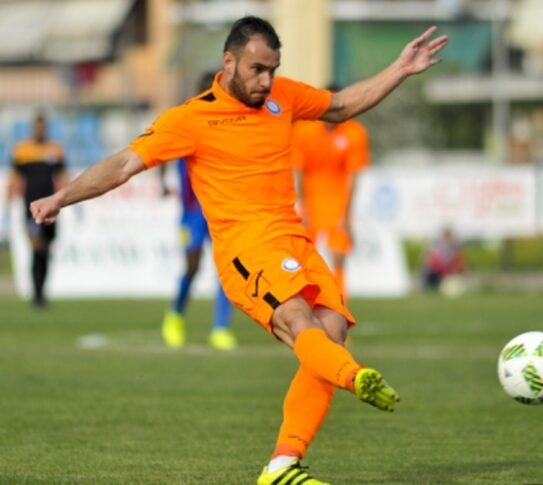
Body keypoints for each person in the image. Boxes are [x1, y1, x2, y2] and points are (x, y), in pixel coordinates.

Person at [30, 16, 447, 484]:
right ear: (228, 62)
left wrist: (400, 69)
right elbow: (125, 163)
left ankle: (282, 466)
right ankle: (355, 377)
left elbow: (342, 104)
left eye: (272, 69)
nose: (266, 81)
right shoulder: (191, 118)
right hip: (245, 249)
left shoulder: (283, 96)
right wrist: (61, 197)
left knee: (331, 333)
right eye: (257, 69)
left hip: (294, 239)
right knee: (299, 320)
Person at [161, 71, 237, 351]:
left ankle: (220, 328)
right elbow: (160, 149)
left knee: (226, 270)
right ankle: (175, 315)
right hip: (192, 214)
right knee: (192, 267)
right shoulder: (187, 123)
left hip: (218, 211)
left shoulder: (226, 126)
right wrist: (162, 182)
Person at [291, 94, 370, 297]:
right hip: (310, 198)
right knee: (304, 255)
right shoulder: (304, 130)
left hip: (338, 199)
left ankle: (339, 302)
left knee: (339, 254)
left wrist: (346, 213)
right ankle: (307, 301)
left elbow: (353, 175)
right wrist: (303, 206)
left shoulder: (354, 132)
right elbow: (299, 170)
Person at [5, 113, 68, 308]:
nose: (40, 130)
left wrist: (71, 200)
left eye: (43, 127)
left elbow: (62, 176)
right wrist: (7, 205)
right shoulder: (23, 150)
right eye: (37, 127)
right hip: (31, 209)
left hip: (51, 208)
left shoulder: (55, 149)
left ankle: (41, 292)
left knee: (46, 249)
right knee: (36, 247)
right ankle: (37, 295)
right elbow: (14, 178)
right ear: (33, 128)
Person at [422, 226, 465, 291]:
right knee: (429, 273)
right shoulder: (436, 246)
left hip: (450, 272)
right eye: (446, 236)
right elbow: (431, 261)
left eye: (448, 236)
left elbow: (459, 262)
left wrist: (454, 269)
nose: (447, 238)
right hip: (438, 272)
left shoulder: (455, 247)